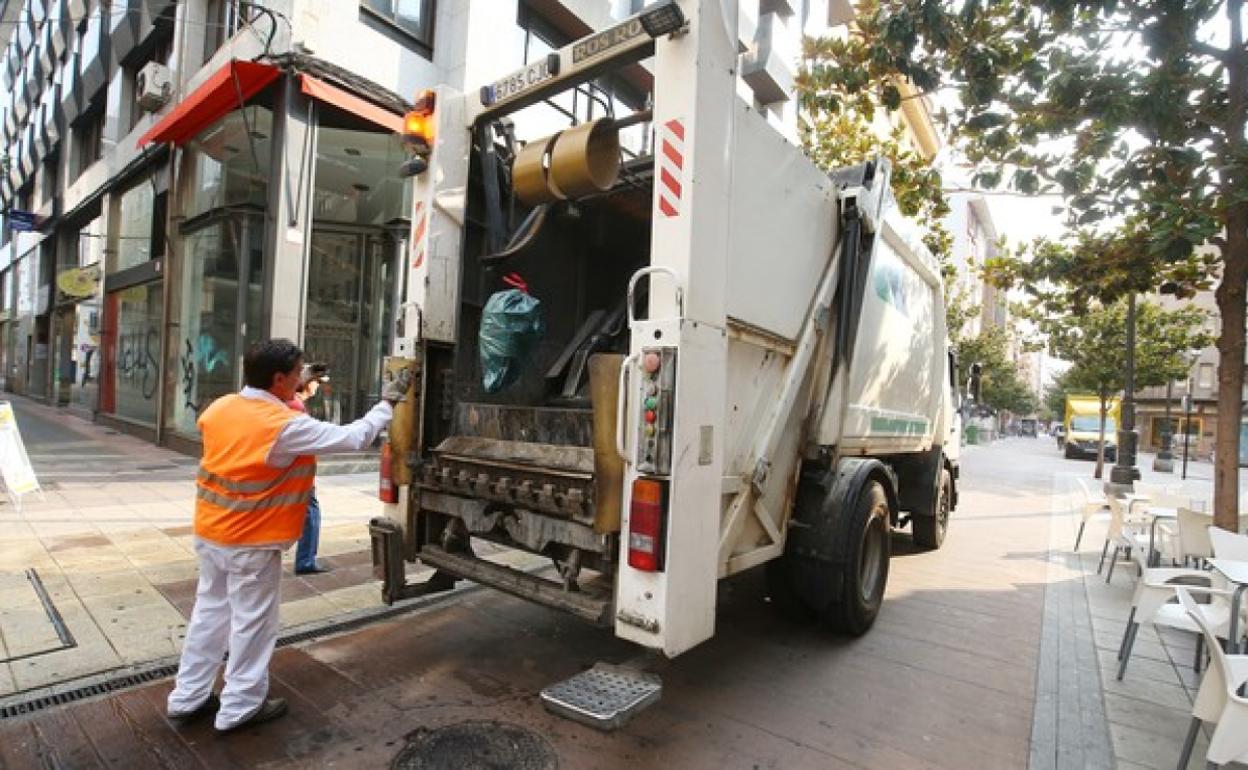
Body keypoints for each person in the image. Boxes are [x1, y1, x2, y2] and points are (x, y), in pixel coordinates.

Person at [166, 339, 409, 732]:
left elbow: (260, 420)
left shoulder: (222, 407)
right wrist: (388, 403)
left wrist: (293, 389)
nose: (302, 379)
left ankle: (187, 697)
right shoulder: (282, 427)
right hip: (251, 541)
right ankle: (240, 707)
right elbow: (354, 438)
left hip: (211, 532)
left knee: (209, 616)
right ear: (278, 379)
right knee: (252, 623)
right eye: (296, 374)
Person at [289, 363, 329, 575]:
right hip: (299, 476)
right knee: (311, 514)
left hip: (297, 474)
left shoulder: (293, 404)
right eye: (316, 382)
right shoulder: (295, 407)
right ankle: (305, 561)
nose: (317, 387)